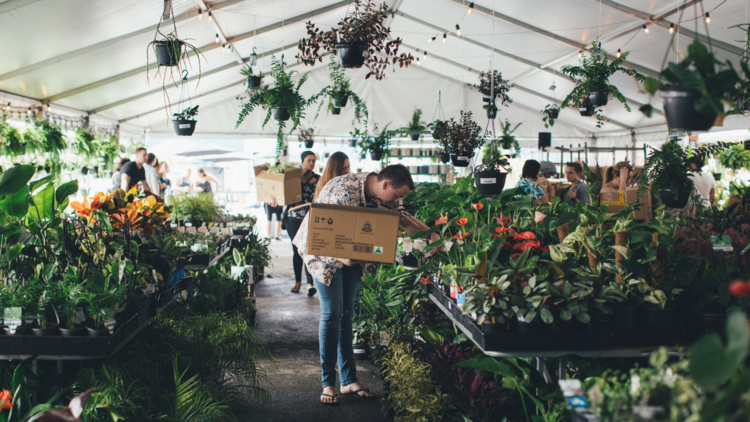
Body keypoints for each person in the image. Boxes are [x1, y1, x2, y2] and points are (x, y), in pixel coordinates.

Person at [292, 164, 441, 405]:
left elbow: (405, 221)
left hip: (352, 254)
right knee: (332, 314)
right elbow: (319, 234)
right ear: (385, 185)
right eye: (398, 195)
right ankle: (328, 383)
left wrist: (433, 236)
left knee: (346, 315)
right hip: (321, 253)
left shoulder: (385, 198)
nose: (398, 200)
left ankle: (349, 380)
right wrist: (342, 257)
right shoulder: (342, 191)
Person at [286, 151, 322, 295]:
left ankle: (309, 284)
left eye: (313, 161)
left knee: (309, 250)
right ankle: (297, 282)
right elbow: (282, 195)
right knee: (297, 251)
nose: (311, 163)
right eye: (309, 160)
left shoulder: (319, 179)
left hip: (311, 219)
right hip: (294, 218)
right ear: (302, 161)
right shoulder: (293, 179)